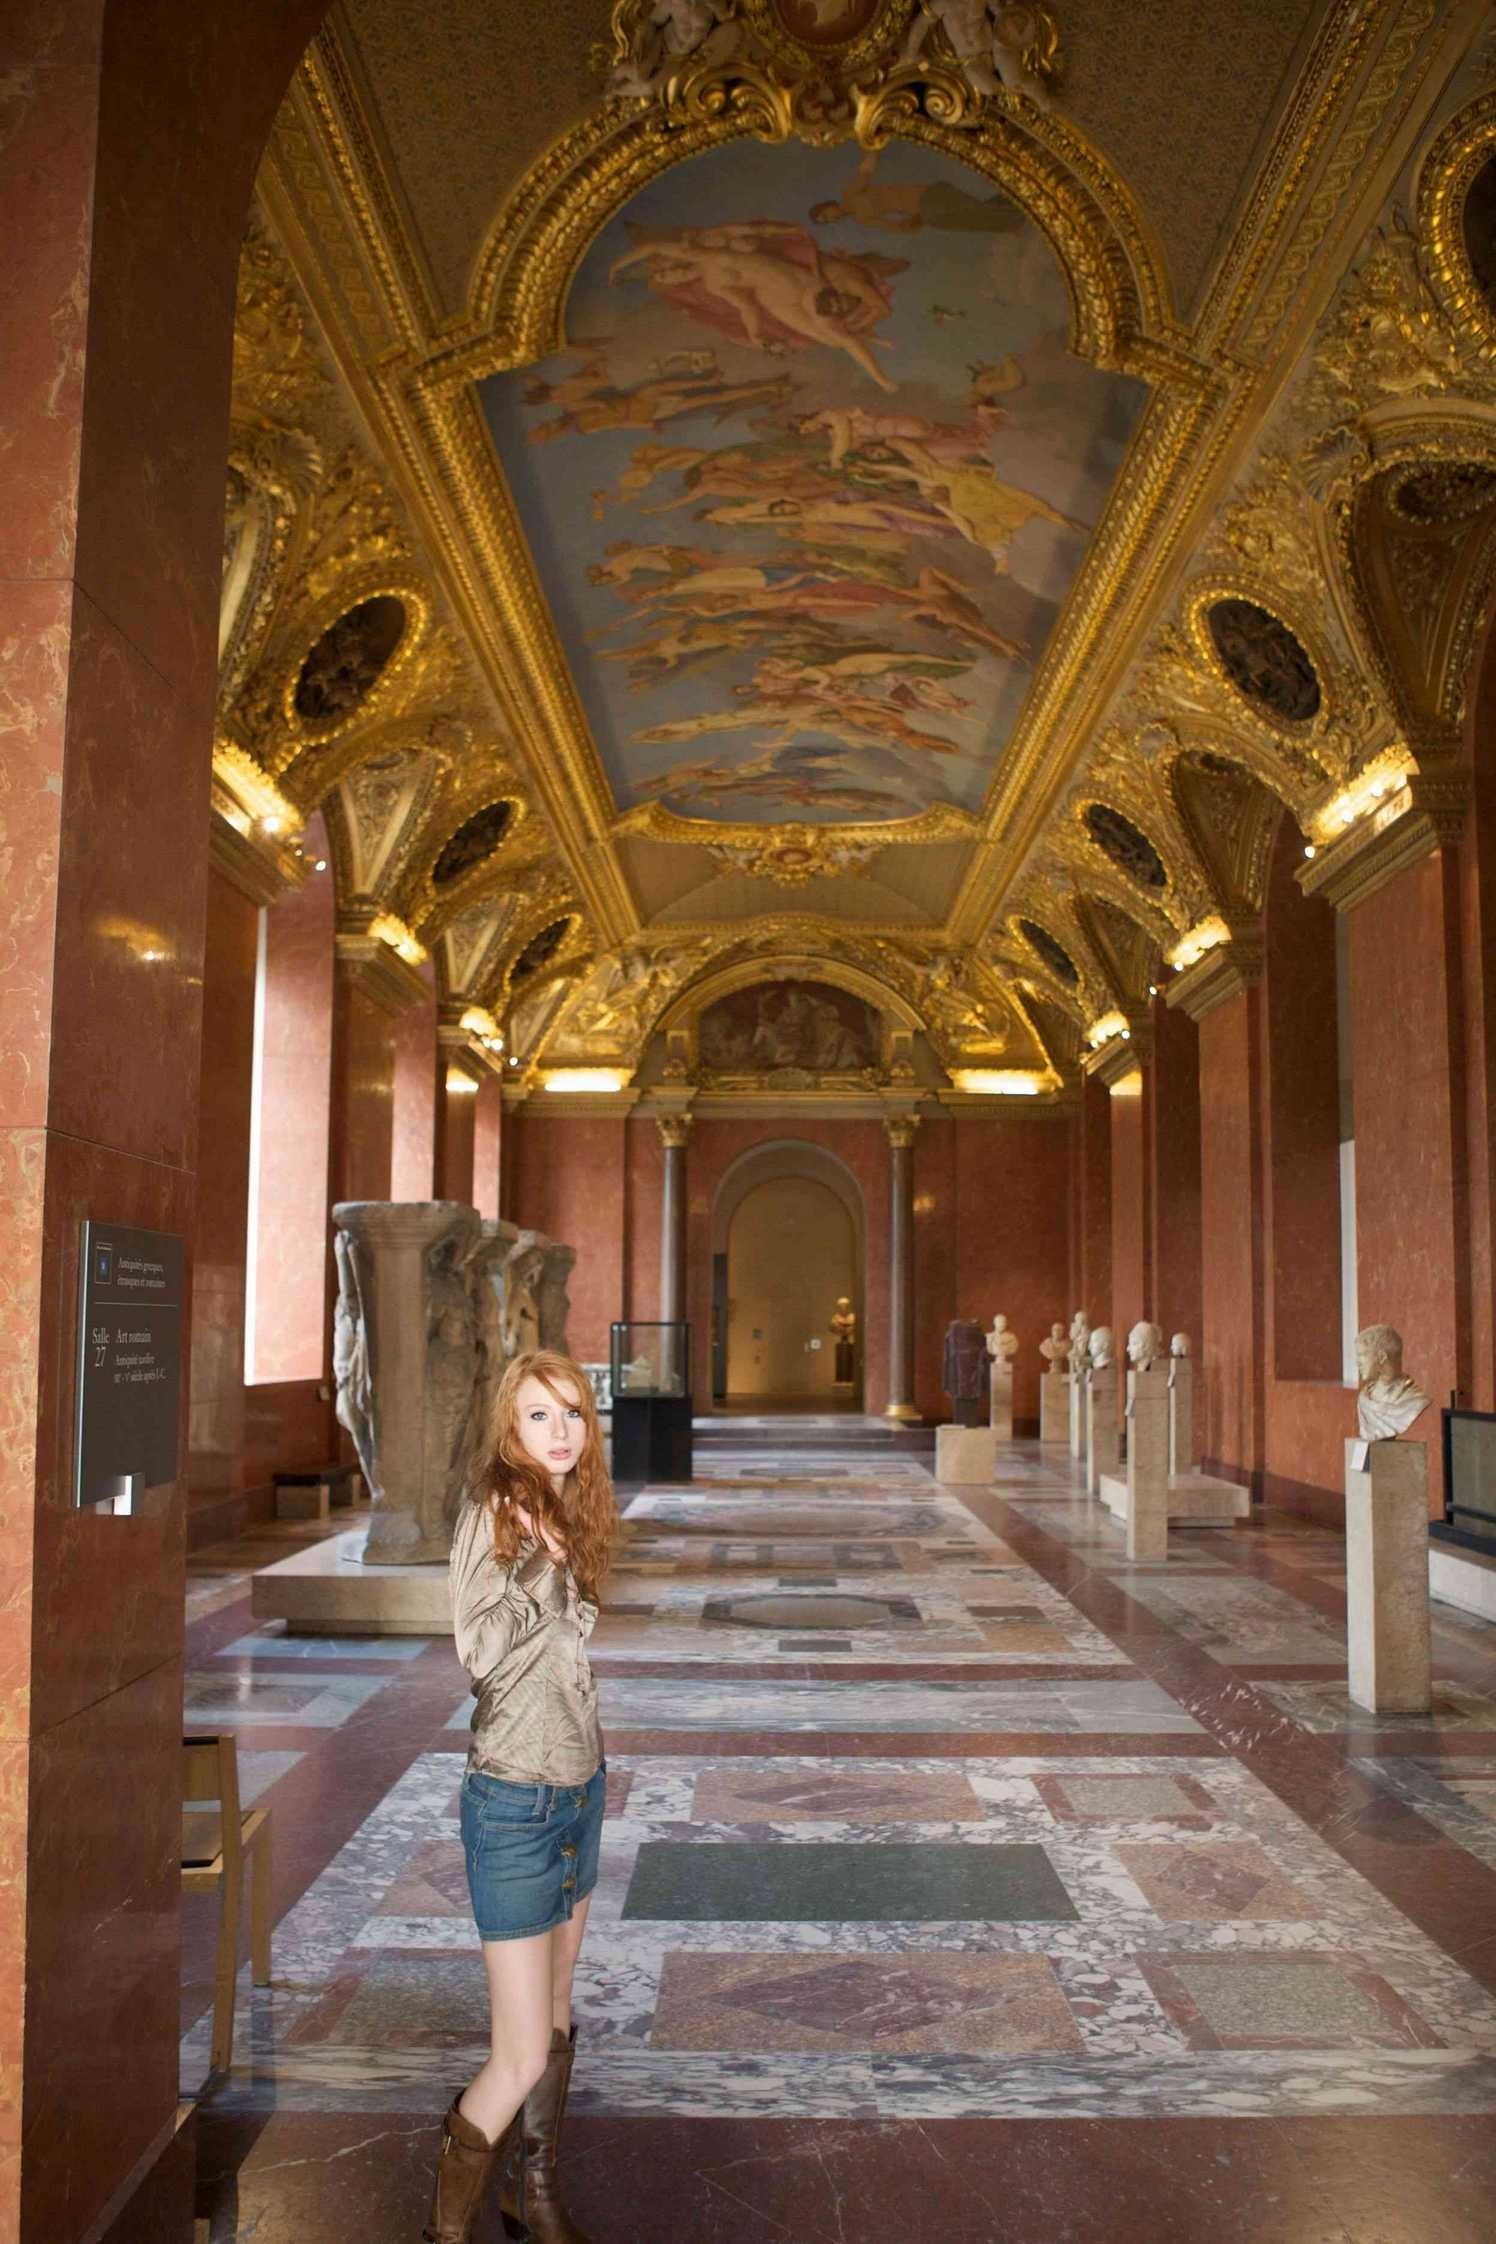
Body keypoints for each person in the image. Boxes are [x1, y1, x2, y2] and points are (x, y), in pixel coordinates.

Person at [423, 1350, 618, 2244]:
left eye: (572, 1412)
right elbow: (477, 1649)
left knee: (558, 2006)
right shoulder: (496, 1513)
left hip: (579, 1789)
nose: (560, 1431)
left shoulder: (565, 1507)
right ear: (510, 1424)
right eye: (540, 1415)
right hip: (513, 1801)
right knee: (521, 2049)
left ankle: (531, 2195)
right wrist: (541, 1569)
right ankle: (443, 2231)